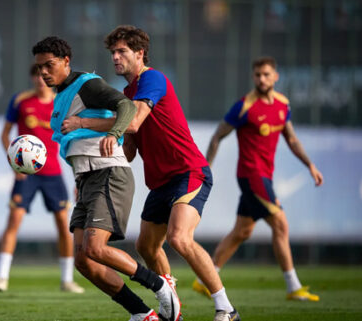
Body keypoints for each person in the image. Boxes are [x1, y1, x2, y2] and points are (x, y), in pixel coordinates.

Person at [61, 25, 239, 321]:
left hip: (188, 172)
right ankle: (173, 307)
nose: (116, 58)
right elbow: (128, 148)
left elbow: (131, 123)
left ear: (140, 53)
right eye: (113, 52)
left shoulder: (152, 79)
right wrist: (95, 175)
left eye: (122, 52)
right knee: (145, 245)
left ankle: (226, 308)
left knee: (179, 238)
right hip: (160, 183)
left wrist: (82, 123)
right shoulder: (127, 93)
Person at [33, 36, 181, 321]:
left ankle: (161, 286)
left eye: (49, 65)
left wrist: (113, 134)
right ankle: (142, 314)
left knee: (96, 248)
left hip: (109, 174)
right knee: (83, 261)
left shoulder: (86, 84)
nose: (43, 73)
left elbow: (126, 107)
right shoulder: (61, 96)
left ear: (66, 61)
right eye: (39, 68)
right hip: (87, 180)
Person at [193, 56, 324, 302]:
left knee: (241, 232)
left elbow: (292, 139)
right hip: (251, 176)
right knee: (281, 224)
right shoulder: (243, 107)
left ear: (275, 76)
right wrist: (206, 167)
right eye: (257, 75)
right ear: (253, 77)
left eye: (266, 74)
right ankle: (293, 287)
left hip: (266, 176)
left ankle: (203, 280)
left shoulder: (283, 105)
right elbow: (216, 137)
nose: (261, 79)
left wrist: (310, 165)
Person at [0, 65, 84, 294]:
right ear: (32, 77)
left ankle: (67, 279)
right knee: (14, 220)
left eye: (45, 76)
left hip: (53, 173)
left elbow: (72, 139)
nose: (41, 80)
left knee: (64, 225)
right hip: (26, 175)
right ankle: (1, 277)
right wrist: (14, 163)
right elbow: (4, 134)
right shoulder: (21, 101)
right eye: (37, 75)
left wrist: (77, 176)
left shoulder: (61, 102)